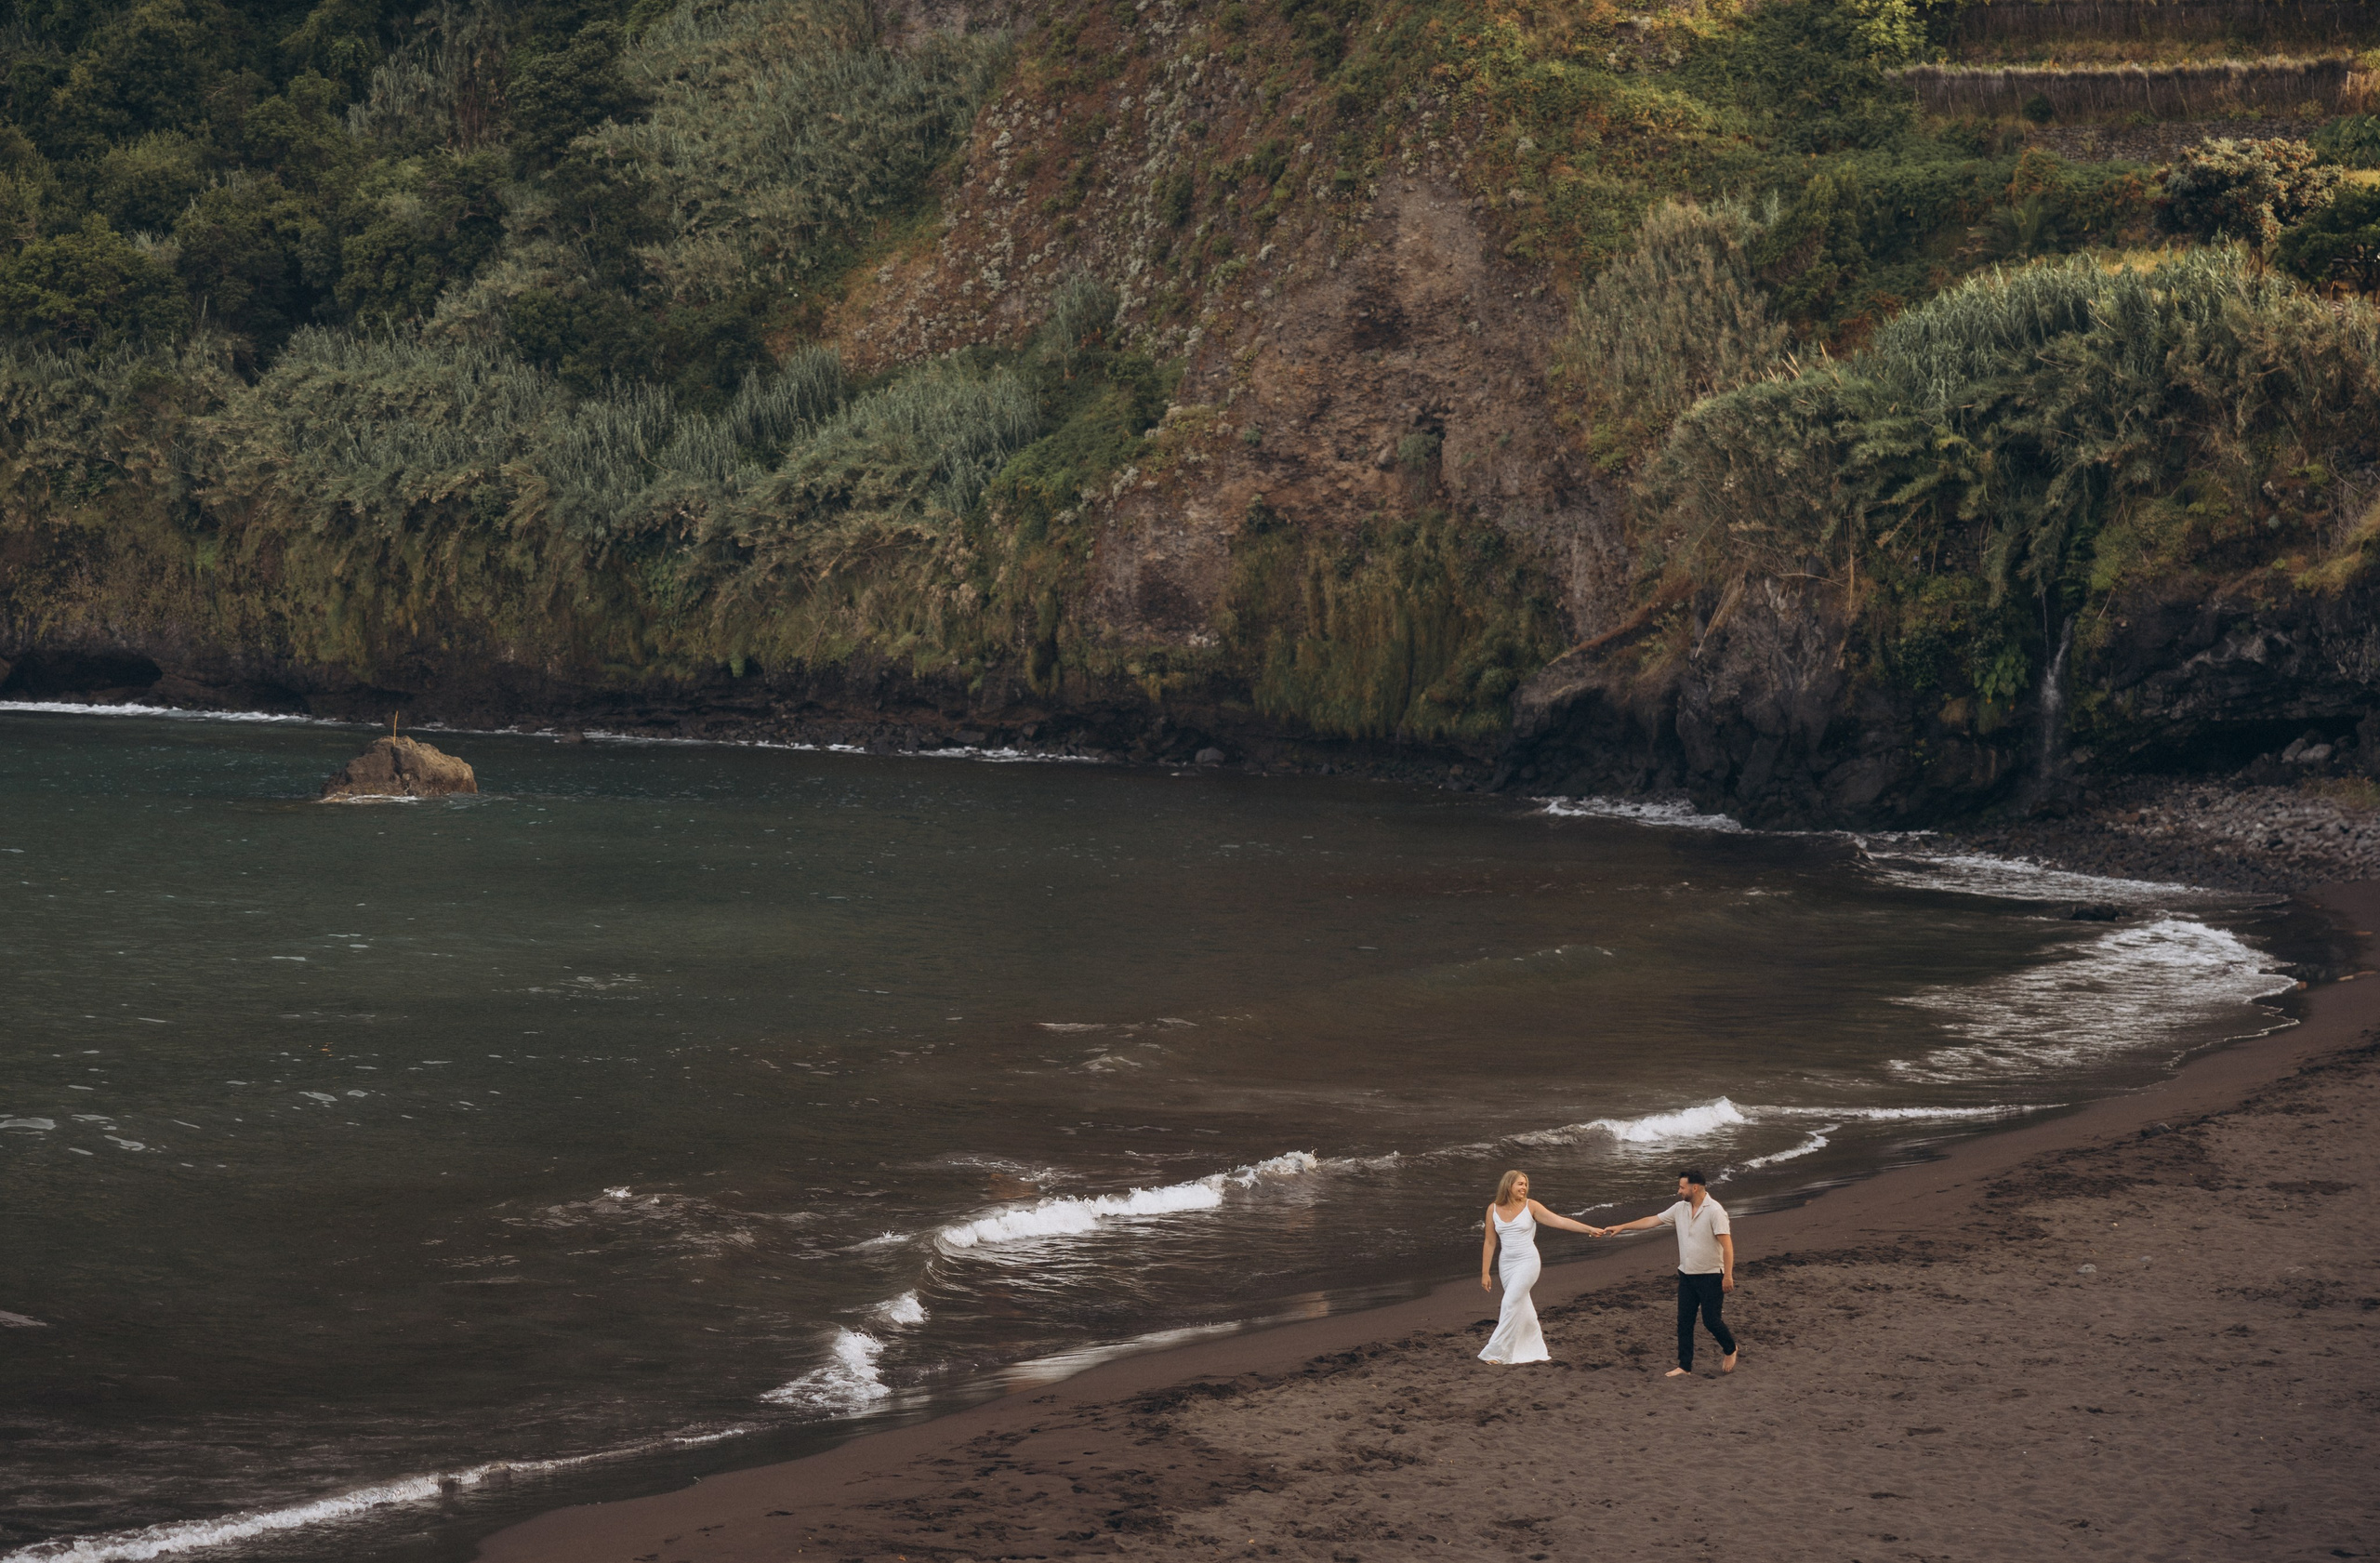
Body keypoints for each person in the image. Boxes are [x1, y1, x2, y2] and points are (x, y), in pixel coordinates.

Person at [1596, 1168, 1739, 1377]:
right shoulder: (1680, 1208)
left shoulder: (1715, 1211)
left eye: (1682, 1187)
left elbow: (1727, 1246)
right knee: (1684, 1322)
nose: (1679, 1191)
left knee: (1711, 1321)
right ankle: (1685, 1366)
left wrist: (1728, 1275)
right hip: (1686, 1275)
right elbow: (1652, 1220)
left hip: (1711, 1275)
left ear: (1695, 1188)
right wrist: (1623, 1226)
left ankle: (1730, 1349)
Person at [1478, 1170, 1601, 1364]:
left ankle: (1497, 1353)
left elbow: (1560, 1221)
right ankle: (1534, 1351)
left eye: (1526, 1184)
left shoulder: (1531, 1206)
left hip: (1528, 1261)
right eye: (1520, 1184)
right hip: (1507, 1265)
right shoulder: (1492, 1209)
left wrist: (1589, 1229)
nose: (1524, 1188)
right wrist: (1485, 1272)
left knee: (1509, 1303)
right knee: (1523, 1307)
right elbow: (1490, 1242)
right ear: (1508, 1185)